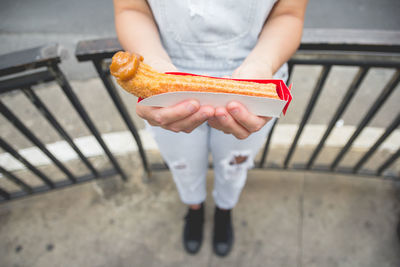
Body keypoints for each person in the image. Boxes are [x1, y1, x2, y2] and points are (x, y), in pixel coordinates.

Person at [113, 0, 308, 256]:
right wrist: (156, 70)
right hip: (166, 71)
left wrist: (261, 66)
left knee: (234, 162)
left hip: (254, 69)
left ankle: (224, 208)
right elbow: (131, 9)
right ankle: (194, 207)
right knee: (183, 161)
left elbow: (288, 13)